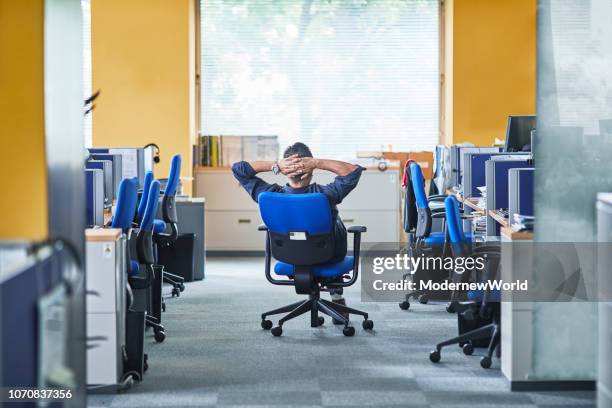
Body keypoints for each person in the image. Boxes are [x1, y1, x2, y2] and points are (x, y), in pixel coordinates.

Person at [232, 142, 364, 318]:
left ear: (285, 171)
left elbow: (238, 169)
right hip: (329, 256)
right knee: (333, 221)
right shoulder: (325, 195)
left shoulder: (271, 195)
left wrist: (276, 166)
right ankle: (336, 296)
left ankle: (315, 291)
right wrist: (316, 163)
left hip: (289, 257)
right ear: (310, 169)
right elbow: (353, 171)